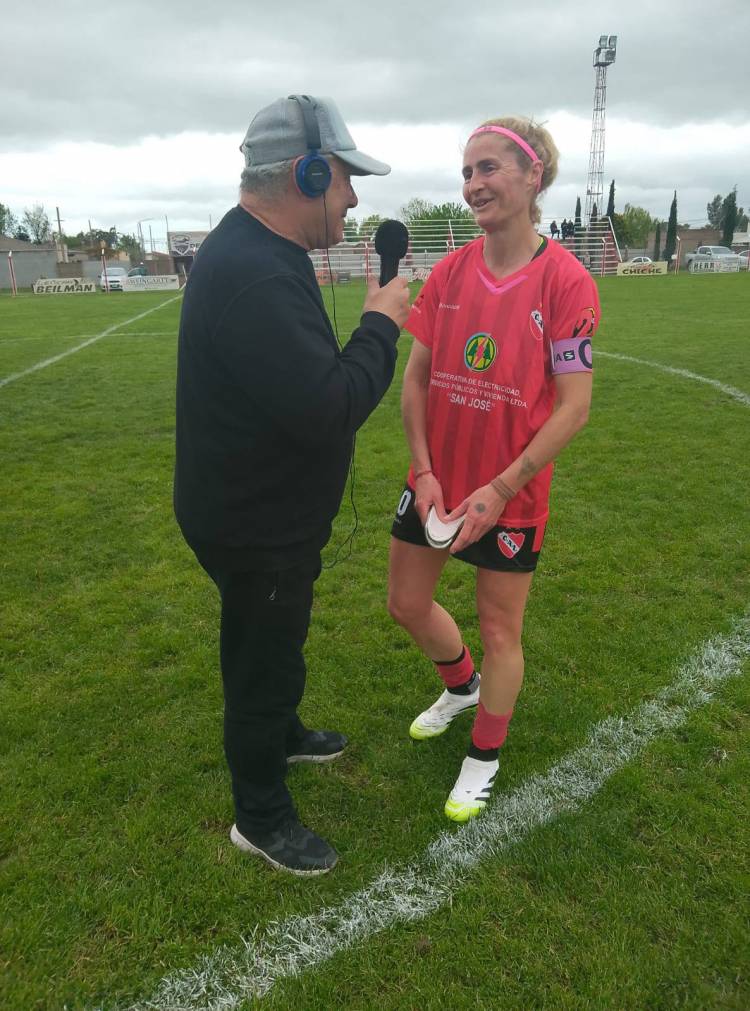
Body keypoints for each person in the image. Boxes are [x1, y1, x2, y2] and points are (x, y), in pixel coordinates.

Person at [174, 94, 410, 875]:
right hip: (254, 522)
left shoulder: (260, 253)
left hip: (258, 510)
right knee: (261, 659)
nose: (353, 197)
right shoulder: (255, 271)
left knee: (275, 638)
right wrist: (380, 322)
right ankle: (260, 816)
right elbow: (330, 407)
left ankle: (283, 730)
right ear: (309, 172)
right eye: (345, 178)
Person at [388, 116, 599, 822]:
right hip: (437, 483)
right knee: (407, 604)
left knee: (502, 630)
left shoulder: (566, 283)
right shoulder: (448, 274)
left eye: (488, 169)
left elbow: (574, 406)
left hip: (509, 497)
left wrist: (502, 485)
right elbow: (414, 380)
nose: (473, 184)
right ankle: (460, 686)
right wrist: (423, 473)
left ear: (532, 174)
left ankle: (483, 755)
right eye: (467, 172)